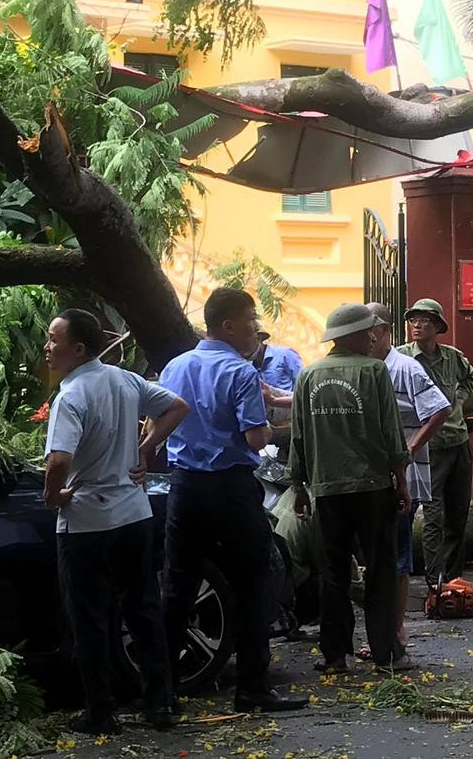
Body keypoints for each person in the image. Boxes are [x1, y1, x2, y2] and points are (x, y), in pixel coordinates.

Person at [158, 287, 306, 713]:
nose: (255, 331)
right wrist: (273, 419)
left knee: (178, 584)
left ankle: (164, 694)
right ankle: (252, 688)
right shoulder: (240, 372)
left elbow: (159, 422)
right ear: (228, 326)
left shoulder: (174, 367)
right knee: (252, 583)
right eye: (250, 322)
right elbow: (255, 438)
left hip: (184, 488)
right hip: (232, 489)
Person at [42, 309, 190, 735]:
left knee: (88, 618)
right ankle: (161, 703)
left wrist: (54, 495)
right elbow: (176, 407)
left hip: (85, 521)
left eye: (54, 339)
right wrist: (144, 449)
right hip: (133, 514)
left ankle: (101, 712)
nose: (48, 347)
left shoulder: (71, 396)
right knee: (143, 610)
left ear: (79, 348)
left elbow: (59, 460)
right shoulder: (123, 379)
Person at [289, 303, 412, 673]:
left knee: (333, 573)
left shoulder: (308, 376)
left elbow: (299, 436)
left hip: (327, 490)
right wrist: (401, 481)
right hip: (373, 487)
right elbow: (392, 433)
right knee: (380, 569)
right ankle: (386, 653)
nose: (374, 336)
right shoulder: (374, 371)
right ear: (353, 335)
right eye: (368, 330)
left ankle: (335, 656)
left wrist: (299, 485)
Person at [365, 302, 452, 656]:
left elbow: (441, 408)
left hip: (404, 476)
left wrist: (411, 448)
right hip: (370, 476)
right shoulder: (362, 367)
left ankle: (396, 632)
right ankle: (381, 633)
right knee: (376, 553)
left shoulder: (405, 368)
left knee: (398, 553)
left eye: (369, 331)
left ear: (383, 331)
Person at [399, 298, 473, 585]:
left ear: (438, 326)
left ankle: (455, 580)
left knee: (458, 515)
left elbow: (470, 378)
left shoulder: (453, 358)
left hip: (458, 442)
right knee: (433, 517)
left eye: (425, 320)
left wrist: (456, 401)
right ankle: (435, 583)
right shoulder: (401, 358)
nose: (417, 325)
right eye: (413, 320)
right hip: (427, 447)